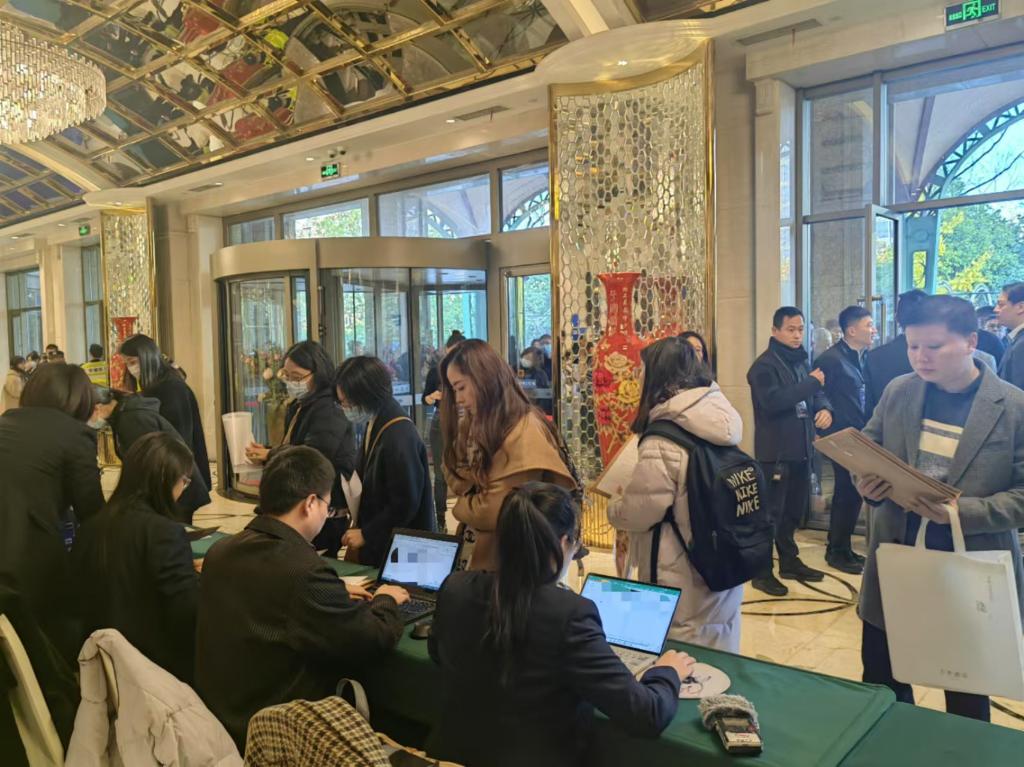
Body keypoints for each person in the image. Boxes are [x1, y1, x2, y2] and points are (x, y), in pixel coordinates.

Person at [427, 482, 689, 767]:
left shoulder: (455, 587)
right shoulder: (570, 614)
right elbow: (647, 715)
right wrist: (667, 672)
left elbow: (437, 653)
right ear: (564, 542)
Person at [856, 295, 1024, 722]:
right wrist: (869, 486)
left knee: (965, 690)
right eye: (913, 346)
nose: (920, 357)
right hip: (895, 556)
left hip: (967, 567)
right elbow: (870, 447)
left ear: (971, 341)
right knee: (882, 681)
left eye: (933, 346)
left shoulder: (1012, 407)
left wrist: (960, 513)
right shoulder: (899, 391)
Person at [195, 446, 408, 748]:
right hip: (278, 737)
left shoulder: (221, 552)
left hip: (221, 720)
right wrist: (385, 599)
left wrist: (334, 588)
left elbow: (269, 588)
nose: (326, 515)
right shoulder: (304, 573)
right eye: (327, 507)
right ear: (310, 503)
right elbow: (372, 639)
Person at [608, 337, 744, 651]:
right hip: (721, 557)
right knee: (719, 640)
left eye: (641, 370)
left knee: (681, 654)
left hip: (678, 567)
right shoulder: (720, 418)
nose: (638, 377)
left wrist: (615, 507)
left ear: (658, 374)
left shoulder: (663, 437)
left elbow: (641, 511)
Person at [71, 433, 199, 682]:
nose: (183, 490)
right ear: (166, 481)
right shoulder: (165, 533)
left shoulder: (90, 527)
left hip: (99, 667)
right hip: (154, 672)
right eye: (184, 482)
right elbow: (186, 615)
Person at [440, 340, 575, 571]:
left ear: (483, 379)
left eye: (461, 388)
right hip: (483, 556)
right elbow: (453, 469)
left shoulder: (524, 430)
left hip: (511, 563)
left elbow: (494, 511)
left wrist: (461, 506)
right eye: (454, 390)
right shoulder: (477, 422)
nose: (458, 399)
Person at [0, 363, 103, 656]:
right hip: (27, 562)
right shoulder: (75, 435)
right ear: (81, 401)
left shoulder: (5, 423)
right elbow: (93, 514)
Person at [746, 307, 832, 596]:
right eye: (791, 329)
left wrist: (825, 409)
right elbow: (774, 402)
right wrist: (812, 383)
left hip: (801, 450)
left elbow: (818, 393)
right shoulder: (763, 367)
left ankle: (789, 561)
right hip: (776, 454)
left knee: (793, 512)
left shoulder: (800, 361)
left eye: (801, 329)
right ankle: (761, 573)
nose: (797, 335)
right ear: (775, 331)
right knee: (769, 516)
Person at [244, 341, 357, 540]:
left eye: (297, 377)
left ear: (318, 374)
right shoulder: (301, 404)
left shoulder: (330, 408)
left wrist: (270, 454)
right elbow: (295, 444)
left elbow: (312, 456)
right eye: (286, 376)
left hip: (323, 507)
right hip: (300, 501)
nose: (290, 382)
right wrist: (267, 451)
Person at [335, 356, 434, 566]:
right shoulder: (377, 420)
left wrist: (368, 533)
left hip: (403, 553)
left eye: (348, 402)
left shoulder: (398, 434)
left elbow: (406, 502)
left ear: (367, 395)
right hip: (386, 545)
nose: (345, 408)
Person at [813, 305, 874, 575]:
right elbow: (817, 391)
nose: (873, 330)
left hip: (859, 435)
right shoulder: (830, 359)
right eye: (868, 325)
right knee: (845, 491)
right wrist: (824, 409)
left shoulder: (861, 357)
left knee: (852, 492)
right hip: (840, 435)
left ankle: (843, 547)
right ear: (851, 330)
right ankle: (836, 550)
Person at [90, 388, 211, 521]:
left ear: (98, 407)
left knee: (173, 530)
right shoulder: (124, 416)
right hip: (172, 486)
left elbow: (149, 462)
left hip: (175, 487)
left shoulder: (131, 419)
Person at [120, 334, 211, 489]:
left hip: (178, 473)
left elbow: (180, 438)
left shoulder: (172, 387)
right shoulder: (157, 384)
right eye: (127, 363)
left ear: (147, 358)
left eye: (133, 362)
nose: (130, 368)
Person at [423, 331, 466, 532]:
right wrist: (432, 396)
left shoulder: (470, 370)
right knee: (441, 472)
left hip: (464, 420)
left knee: (466, 468)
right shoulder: (437, 371)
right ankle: (440, 519)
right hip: (440, 421)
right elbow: (425, 398)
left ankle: (466, 515)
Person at [863, 289, 927, 414]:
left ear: (897, 318)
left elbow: (869, 408)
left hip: (885, 424)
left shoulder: (874, 357)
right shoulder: (936, 357)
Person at [995, 281, 1024, 389]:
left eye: (1001, 305)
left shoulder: (1022, 345)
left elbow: (1017, 391)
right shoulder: (1017, 339)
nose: (995, 309)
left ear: (1021, 307)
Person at [517, 346, 552, 414]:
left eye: (529, 359)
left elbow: (543, 395)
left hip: (535, 409)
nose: (525, 360)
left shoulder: (540, 374)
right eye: (525, 358)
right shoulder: (516, 370)